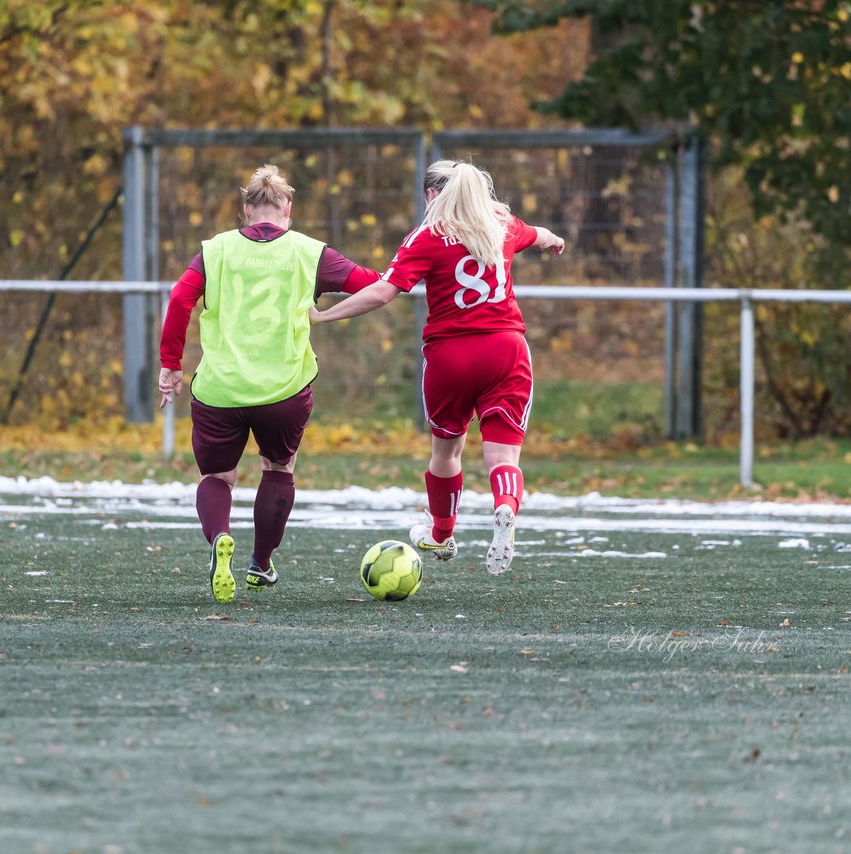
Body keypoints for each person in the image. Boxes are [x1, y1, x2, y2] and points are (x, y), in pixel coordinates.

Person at [310, 160, 565, 576]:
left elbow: (380, 294)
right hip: (507, 349)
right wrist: (555, 242)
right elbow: (541, 235)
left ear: (431, 196)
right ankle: (504, 508)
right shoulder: (501, 222)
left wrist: (324, 316)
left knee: (447, 450)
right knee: (504, 455)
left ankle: (443, 532)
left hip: (451, 356)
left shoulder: (427, 236)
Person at [159, 164, 382, 604]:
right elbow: (371, 284)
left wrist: (172, 365)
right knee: (278, 469)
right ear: (288, 209)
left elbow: (180, 298)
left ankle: (221, 538)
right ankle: (260, 564)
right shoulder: (309, 251)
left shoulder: (216, 250)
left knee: (217, 477)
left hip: (220, 390)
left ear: (246, 209)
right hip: (284, 389)